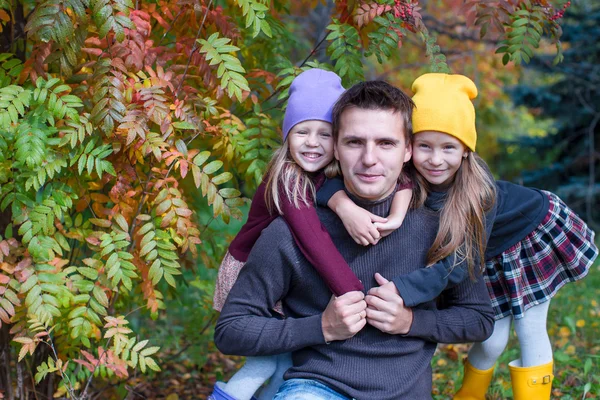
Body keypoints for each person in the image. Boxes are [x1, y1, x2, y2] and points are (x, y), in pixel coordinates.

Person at [214, 79, 495, 399]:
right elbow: (231, 330)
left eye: (386, 143)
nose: (369, 158)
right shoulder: (288, 231)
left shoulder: (437, 229)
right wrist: (321, 327)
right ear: (335, 146)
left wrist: (410, 321)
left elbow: (478, 319)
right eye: (354, 142)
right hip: (315, 388)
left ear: (408, 150)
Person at [392, 72, 597, 400]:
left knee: (529, 329)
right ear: (409, 146)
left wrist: (404, 290)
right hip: (488, 253)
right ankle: (469, 394)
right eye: (424, 145)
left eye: (448, 147)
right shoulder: (407, 181)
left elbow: (458, 265)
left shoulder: (478, 193)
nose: (435, 159)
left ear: (465, 150)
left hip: (528, 235)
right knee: (491, 340)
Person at [210, 69, 412, 400]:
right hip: (250, 272)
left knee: (284, 362)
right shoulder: (287, 177)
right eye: (302, 131)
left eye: (325, 134)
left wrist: (398, 211)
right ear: (286, 134)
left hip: (282, 278)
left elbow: (404, 178)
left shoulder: (320, 173)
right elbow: (312, 239)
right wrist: (351, 292)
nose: (313, 143)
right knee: (262, 365)